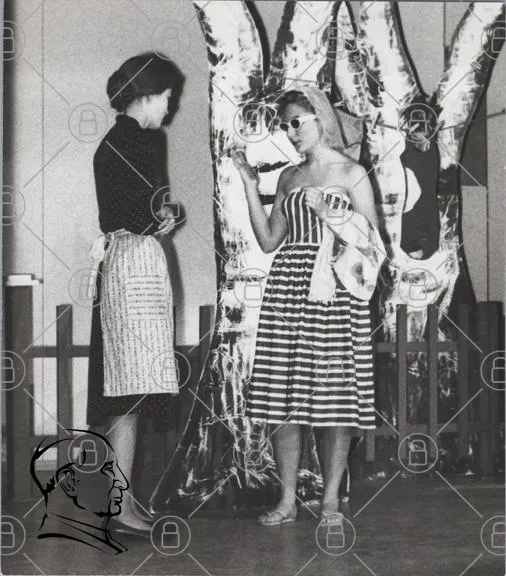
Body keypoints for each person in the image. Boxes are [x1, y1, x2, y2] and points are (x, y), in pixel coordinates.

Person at [232, 85, 383, 526]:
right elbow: (268, 241)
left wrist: (332, 215)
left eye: (297, 122)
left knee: (334, 398)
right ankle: (287, 500)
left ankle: (331, 498)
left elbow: (373, 245)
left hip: (335, 291)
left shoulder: (353, 173)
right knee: (284, 399)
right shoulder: (289, 177)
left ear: (321, 118)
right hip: (287, 288)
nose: (291, 132)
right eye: (285, 126)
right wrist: (250, 186)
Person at [86, 53, 183, 535]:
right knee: (129, 387)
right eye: (167, 96)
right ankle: (119, 504)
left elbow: (141, 208)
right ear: (147, 95)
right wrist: (160, 217)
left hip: (128, 261)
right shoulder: (139, 140)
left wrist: (164, 215)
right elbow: (136, 211)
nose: (169, 105)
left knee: (130, 386)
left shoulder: (119, 139)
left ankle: (122, 500)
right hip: (133, 266)